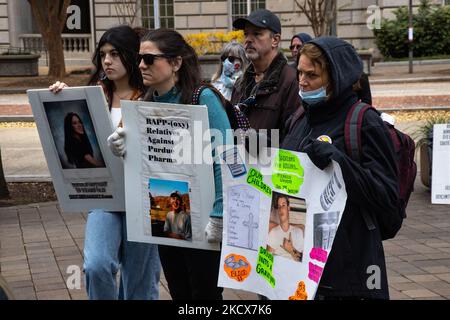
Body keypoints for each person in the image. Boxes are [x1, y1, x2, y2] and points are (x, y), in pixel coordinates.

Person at [108, 28, 232, 300]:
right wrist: (127, 149)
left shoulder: (204, 98)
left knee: (204, 294)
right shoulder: (147, 101)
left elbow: (226, 157)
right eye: (140, 58)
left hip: (204, 215)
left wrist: (220, 214)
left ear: (176, 63)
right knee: (180, 291)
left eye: (150, 59)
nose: (141, 65)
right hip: (167, 210)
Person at [281, 37, 399, 300]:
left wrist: (340, 162)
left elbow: (387, 196)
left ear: (337, 78)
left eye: (312, 74)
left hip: (349, 268)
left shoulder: (364, 122)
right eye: (300, 72)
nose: (302, 81)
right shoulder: (300, 118)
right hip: (300, 260)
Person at [50, 25, 161, 300]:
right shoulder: (93, 96)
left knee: (140, 284)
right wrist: (61, 95)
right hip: (106, 197)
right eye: (102, 55)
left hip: (146, 199)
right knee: (96, 265)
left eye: (114, 54)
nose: (107, 61)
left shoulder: (152, 95)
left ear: (131, 56)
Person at [230, 9, 301, 136]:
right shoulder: (240, 83)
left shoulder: (291, 82)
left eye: (257, 34)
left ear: (275, 40)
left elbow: (292, 138)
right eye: (246, 34)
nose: (248, 40)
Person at [267, 194, 304, 262]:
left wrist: (291, 250)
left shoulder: (298, 231)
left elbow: (303, 261)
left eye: (283, 205)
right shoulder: (273, 232)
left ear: (288, 208)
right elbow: (267, 260)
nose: (281, 209)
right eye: (279, 206)